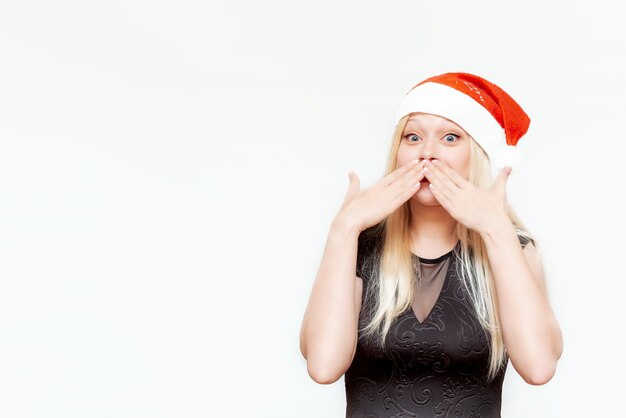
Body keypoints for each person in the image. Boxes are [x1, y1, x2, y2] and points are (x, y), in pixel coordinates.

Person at [299, 72, 563, 417]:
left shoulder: (514, 248)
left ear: (478, 156)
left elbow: (539, 367)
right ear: (398, 153)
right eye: (413, 137)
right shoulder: (359, 247)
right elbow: (323, 366)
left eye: (450, 138)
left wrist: (497, 231)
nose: (428, 153)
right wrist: (343, 230)